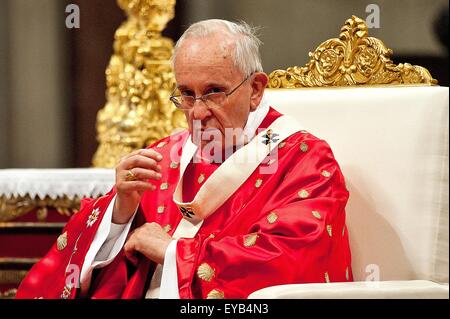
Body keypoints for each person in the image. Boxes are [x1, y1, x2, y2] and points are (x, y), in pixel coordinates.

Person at [16, 19, 352, 299]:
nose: (198, 112)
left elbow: (290, 262)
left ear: (255, 90)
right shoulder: (165, 156)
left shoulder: (305, 161)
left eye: (214, 91)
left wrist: (174, 253)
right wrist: (119, 214)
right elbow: (88, 264)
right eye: (186, 94)